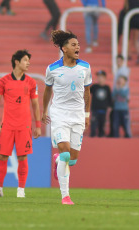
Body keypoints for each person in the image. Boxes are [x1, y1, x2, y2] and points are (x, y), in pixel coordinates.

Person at [42, 30, 92, 205]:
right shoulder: (52, 69)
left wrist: (87, 114)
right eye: (73, 44)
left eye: (78, 44)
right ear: (64, 48)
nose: (77, 47)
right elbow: (47, 90)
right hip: (60, 114)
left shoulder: (85, 67)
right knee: (65, 154)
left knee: (72, 160)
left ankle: (58, 160)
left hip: (77, 115)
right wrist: (44, 111)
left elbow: (87, 92)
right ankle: (65, 196)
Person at [0, 50, 41, 198]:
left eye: (29, 60)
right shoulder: (3, 81)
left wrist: (38, 126)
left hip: (24, 126)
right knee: (2, 156)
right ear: (16, 62)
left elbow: (35, 105)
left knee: (22, 157)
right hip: (7, 126)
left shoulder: (31, 82)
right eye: (25, 60)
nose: (28, 63)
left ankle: (21, 190)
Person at [108, 54, 130, 137]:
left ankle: (123, 135)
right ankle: (114, 134)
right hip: (118, 98)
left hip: (121, 99)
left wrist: (119, 89)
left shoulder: (123, 70)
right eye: (117, 61)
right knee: (115, 120)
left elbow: (124, 84)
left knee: (123, 122)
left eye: (119, 61)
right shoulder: (119, 70)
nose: (118, 62)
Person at [90, 70, 112, 137]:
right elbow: (87, 93)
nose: (99, 78)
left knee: (101, 126)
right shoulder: (94, 87)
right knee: (93, 125)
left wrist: (110, 107)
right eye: (98, 77)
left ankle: (101, 137)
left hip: (103, 110)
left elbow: (109, 98)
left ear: (105, 78)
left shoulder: (107, 88)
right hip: (95, 110)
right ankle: (92, 137)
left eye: (101, 77)